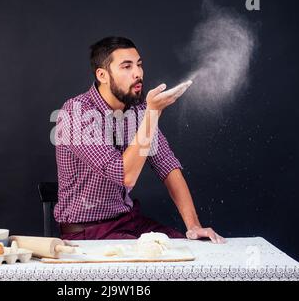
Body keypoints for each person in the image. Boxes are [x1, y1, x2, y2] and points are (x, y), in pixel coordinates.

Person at [53, 36, 225, 244]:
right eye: (126, 67)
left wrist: (193, 226)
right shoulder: (76, 112)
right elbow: (125, 175)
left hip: (128, 221)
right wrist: (152, 114)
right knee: (160, 265)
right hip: (86, 233)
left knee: (188, 249)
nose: (138, 73)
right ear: (102, 75)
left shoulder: (140, 110)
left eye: (139, 65)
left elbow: (167, 165)